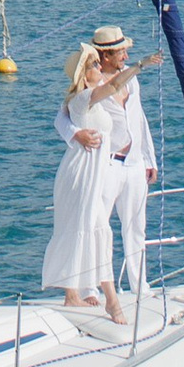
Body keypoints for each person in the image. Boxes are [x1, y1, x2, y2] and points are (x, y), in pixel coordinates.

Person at [41, 37, 123, 318]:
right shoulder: (83, 97)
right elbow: (112, 86)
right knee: (93, 228)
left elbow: (60, 119)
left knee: (80, 227)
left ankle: (73, 293)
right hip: (81, 172)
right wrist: (141, 64)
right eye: (95, 65)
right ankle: (110, 300)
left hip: (92, 170)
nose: (100, 67)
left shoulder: (89, 95)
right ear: (85, 74)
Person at [91, 29, 159, 300]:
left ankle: (139, 286)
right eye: (121, 53)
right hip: (107, 164)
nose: (126, 56)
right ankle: (93, 287)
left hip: (133, 164)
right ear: (105, 56)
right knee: (100, 227)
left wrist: (148, 158)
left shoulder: (131, 81)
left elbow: (139, 119)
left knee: (136, 227)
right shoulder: (91, 83)